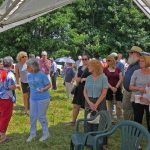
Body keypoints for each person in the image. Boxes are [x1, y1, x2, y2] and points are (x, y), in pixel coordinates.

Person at [84, 59, 108, 149]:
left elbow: (104, 93)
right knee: (88, 121)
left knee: (100, 122)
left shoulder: (103, 77)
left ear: (95, 67)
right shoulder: (89, 77)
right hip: (88, 101)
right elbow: (84, 91)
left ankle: (101, 143)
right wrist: (89, 102)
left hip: (100, 102)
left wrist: (96, 104)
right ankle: (89, 141)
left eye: (89, 65)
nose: (88, 67)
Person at [26, 59, 51, 142]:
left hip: (43, 99)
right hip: (33, 99)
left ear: (33, 67)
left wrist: (43, 89)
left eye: (28, 66)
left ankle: (46, 133)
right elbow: (31, 85)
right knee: (32, 116)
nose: (27, 68)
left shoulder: (42, 75)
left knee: (41, 116)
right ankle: (32, 134)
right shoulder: (29, 75)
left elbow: (49, 85)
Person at [0, 56, 20, 143]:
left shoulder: (1, 72)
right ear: (11, 64)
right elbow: (10, 87)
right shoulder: (10, 75)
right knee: (5, 116)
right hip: (6, 99)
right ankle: (2, 136)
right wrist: (17, 86)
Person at [68, 54, 91, 126]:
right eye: (83, 59)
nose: (84, 61)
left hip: (87, 89)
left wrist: (85, 79)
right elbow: (76, 77)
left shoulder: (91, 68)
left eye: (86, 59)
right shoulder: (80, 67)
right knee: (75, 106)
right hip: (79, 88)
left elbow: (94, 77)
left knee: (87, 107)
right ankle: (73, 122)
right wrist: (78, 79)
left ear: (88, 59)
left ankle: (87, 123)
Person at [129, 55, 150, 132]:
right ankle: (136, 141)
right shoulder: (136, 72)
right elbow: (130, 87)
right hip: (137, 99)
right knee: (137, 120)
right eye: (139, 61)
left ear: (147, 62)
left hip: (148, 100)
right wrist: (139, 88)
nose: (140, 63)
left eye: (142, 61)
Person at [123, 46, 142, 120]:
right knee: (126, 108)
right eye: (130, 53)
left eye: (131, 52)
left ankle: (133, 127)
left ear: (137, 54)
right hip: (127, 91)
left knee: (136, 111)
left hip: (135, 92)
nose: (129, 54)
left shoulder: (141, 64)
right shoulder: (131, 64)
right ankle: (128, 125)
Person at [103, 55, 123, 121]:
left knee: (118, 105)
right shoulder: (105, 70)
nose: (107, 62)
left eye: (109, 60)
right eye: (106, 60)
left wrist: (116, 87)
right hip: (108, 89)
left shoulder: (118, 69)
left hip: (117, 89)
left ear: (112, 61)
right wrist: (111, 87)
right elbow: (104, 80)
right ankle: (110, 120)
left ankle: (119, 119)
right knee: (109, 106)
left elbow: (121, 78)